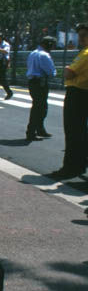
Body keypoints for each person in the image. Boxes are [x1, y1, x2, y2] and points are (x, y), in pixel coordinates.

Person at [48, 22, 88, 180]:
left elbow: (69, 73)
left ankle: (71, 167)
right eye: (80, 35)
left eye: (84, 35)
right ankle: (79, 165)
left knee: (73, 132)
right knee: (81, 133)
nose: (81, 39)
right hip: (83, 93)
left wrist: (67, 70)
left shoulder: (85, 54)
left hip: (77, 94)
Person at [25, 37, 56, 142]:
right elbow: (51, 72)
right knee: (40, 108)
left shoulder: (33, 53)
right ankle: (31, 132)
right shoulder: (44, 55)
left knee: (38, 106)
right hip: (40, 83)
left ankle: (39, 129)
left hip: (32, 82)